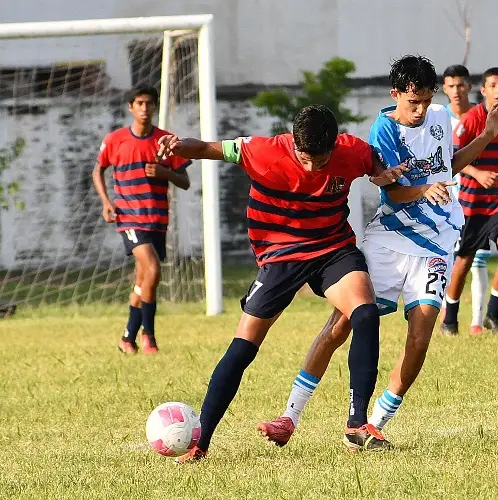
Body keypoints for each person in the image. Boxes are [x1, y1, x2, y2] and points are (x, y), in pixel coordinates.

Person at [257, 55, 498, 450]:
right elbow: (392, 190)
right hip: (390, 240)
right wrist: (424, 189)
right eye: (414, 102)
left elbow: (448, 166)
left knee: (421, 335)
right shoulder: (383, 130)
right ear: (396, 94)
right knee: (342, 324)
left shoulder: (441, 117)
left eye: (426, 101)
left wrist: (487, 135)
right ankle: (290, 415)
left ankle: (371, 424)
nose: (421, 110)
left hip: (438, 241)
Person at [157, 104, 433, 462]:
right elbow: (208, 148)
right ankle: (201, 442)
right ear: (294, 143)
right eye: (306, 158)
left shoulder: (352, 151)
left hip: (332, 248)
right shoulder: (262, 150)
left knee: (364, 314)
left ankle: (357, 423)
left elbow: (378, 173)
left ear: (334, 146)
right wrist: (179, 147)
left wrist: (386, 176)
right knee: (243, 349)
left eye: (321, 159)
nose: (313, 166)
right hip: (280, 256)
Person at [92, 85, 192, 355]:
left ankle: (127, 338)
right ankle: (149, 336)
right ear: (130, 107)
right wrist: (105, 202)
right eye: (139, 103)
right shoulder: (115, 140)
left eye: (149, 103)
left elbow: (185, 181)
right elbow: (98, 171)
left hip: (157, 219)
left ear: (154, 106)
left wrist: (163, 172)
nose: (144, 108)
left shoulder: (166, 140)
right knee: (154, 269)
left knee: (144, 279)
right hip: (129, 218)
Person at [441, 67, 498, 335]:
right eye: (492, 86)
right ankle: (450, 319)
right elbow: (452, 161)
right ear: (483, 90)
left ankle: (491, 315)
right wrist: (477, 172)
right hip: (473, 204)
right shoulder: (472, 120)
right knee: (464, 261)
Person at [442, 64, 491, 336]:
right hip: (448, 201)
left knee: (479, 260)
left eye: (461, 85)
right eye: (451, 85)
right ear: (444, 89)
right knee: (452, 261)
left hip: (478, 199)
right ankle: (448, 317)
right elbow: (449, 160)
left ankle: (477, 322)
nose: (456, 90)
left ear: (469, 87)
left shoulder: (481, 117)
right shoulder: (438, 120)